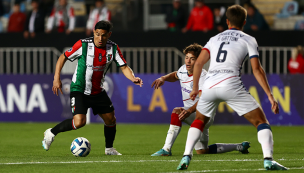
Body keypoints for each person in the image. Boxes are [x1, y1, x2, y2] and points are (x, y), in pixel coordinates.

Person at [177, 5, 288, 170]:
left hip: (209, 86)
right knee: (261, 122)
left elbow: (199, 62)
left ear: (227, 21)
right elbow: (257, 69)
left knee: (199, 121)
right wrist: (270, 96)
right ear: (244, 21)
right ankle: (268, 159)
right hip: (230, 83)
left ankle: (186, 156)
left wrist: (195, 88)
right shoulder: (249, 39)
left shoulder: (214, 39)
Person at [42, 20, 143, 155]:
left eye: (104, 35)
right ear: (93, 32)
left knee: (110, 119)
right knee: (79, 122)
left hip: (98, 91)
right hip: (79, 89)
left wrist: (132, 78)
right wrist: (56, 78)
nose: (100, 38)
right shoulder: (83, 45)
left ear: (109, 35)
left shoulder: (113, 48)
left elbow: (123, 66)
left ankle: (109, 149)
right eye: (97, 34)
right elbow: (63, 57)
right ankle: (51, 132)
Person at [150, 43, 250, 156]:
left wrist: (189, 110)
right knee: (202, 151)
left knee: (177, 111)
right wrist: (163, 78)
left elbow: (204, 100)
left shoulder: (203, 77)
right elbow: (176, 75)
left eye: (192, 59)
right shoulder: (183, 69)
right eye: (187, 58)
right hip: (193, 113)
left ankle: (166, 149)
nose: (188, 61)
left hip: (204, 116)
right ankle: (240, 146)